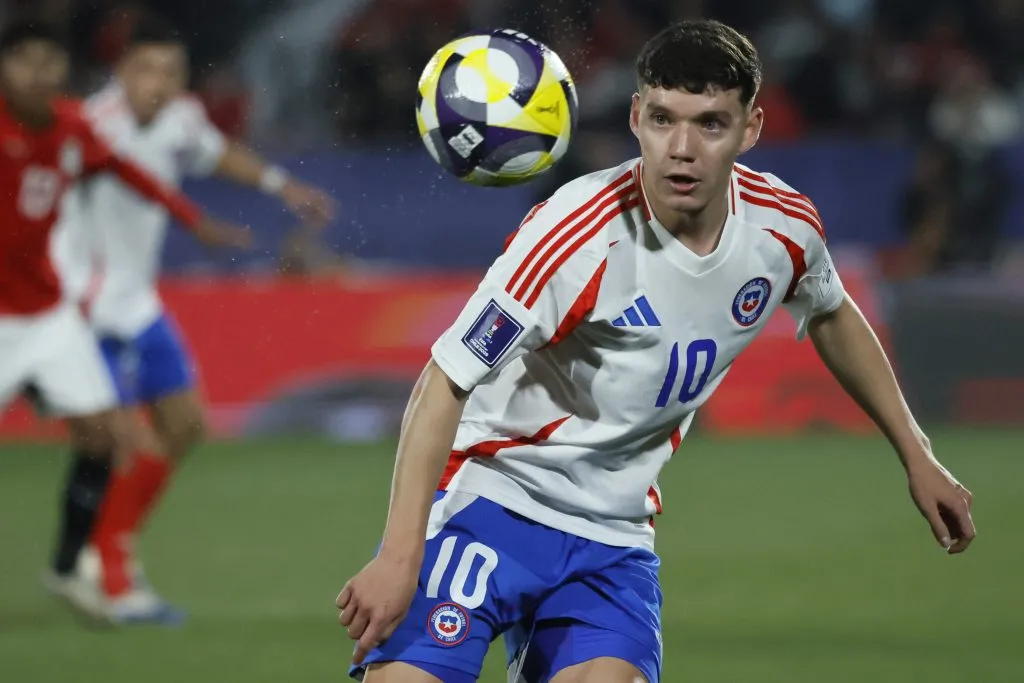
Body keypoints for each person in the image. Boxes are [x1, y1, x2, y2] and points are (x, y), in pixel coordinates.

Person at [335, 19, 977, 683]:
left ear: (751, 128)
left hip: (613, 536)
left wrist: (917, 454)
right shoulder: (574, 234)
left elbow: (833, 312)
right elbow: (444, 378)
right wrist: (400, 556)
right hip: (492, 498)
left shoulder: (782, 229)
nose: (682, 149)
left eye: (710, 123)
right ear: (637, 115)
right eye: (665, 119)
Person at [52, 13, 336, 624]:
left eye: (170, 72)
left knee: (185, 425)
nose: (157, 83)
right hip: (85, 308)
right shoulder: (88, 128)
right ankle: (109, 572)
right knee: (128, 444)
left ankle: (102, 558)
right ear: (119, 72)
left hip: (139, 303)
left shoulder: (179, 119)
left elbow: (215, 153)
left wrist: (281, 185)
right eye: (145, 69)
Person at [0, 19, 246, 623]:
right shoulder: (88, 117)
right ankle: (99, 565)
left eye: (49, 61)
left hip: (56, 311)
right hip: (64, 309)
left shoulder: (71, 126)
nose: (39, 74)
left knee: (115, 437)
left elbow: (129, 173)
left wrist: (199, 219)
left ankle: (77, 565)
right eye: (24, 60)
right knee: (128, 438)